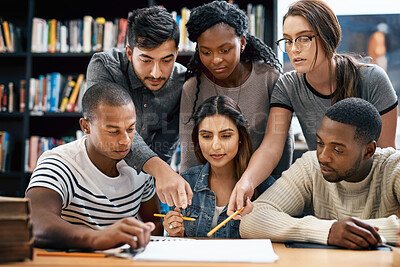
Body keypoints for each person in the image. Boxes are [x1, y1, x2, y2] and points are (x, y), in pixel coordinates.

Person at [228, 0, 398, 217]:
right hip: (326, 190)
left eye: (304, 38)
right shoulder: (288, 85)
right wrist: (247, 182)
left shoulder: (373, 79)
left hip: (371, 194)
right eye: (288, 41)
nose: (294, 49)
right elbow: (272, 145)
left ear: (328, 36)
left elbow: (387, 154)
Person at [240, 97, 400, 249]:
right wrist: (328, 230)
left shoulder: (394, 166)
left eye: (337, 149)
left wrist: (350, 232)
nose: (323, 156)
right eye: (320, 143)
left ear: (368, 151)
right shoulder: (310, 166)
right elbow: (251, 220)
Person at [25, 82, 163, 250]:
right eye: (113, 131)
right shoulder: (59, 162)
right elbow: (34, 221)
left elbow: (154, 222)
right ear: (86, 126)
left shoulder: (141, 165)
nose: (126, 140)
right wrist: (97, 238)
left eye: (131, 128)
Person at [86, 6, 192, 209]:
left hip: (144, 183)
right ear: (129, 52)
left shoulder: (183, 82)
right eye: (146, 60)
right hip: (96, 175)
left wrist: (160, 177)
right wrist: (161, 170)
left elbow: (166, 146)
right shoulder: (105, 67)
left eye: (166, 60)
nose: (156, 72)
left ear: (177, 53)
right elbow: (113, 129)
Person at [179, 1, 294, 179]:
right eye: (206, 52)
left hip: (264, 185)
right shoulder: (193, 89)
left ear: (241, 43)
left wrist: (277, 192)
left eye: (225, 50)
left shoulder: (269, 78)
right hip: (212, 191)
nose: (215, 60)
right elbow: (189, 156)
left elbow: (283, 146)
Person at [164, 96, 274, 238]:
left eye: (226, 136)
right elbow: (176, 246)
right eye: (206, 136)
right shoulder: (185, 184)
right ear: (197, 139)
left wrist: (254, 222)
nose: (215, 146)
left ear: (240, 137)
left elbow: (276, 244)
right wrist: (175, 233)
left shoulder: (265, 186)